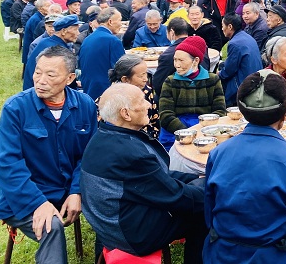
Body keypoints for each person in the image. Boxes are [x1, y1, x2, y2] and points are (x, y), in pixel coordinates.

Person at [203, 70, 286, 264]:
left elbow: (210, 215)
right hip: (275, 256)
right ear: (284, 116)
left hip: (222, 254)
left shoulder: (218, 153)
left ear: (243, 111)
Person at [81, 84, 207, 263]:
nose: (149, 104)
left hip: (110, 223)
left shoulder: (104, 135)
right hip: (129, 235)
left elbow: (157, 176)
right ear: (126, 113)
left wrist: (197, 178)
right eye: (142, 101)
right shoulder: (129, 152)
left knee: (198, 189)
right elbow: (174, 195)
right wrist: (212, 191)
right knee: (201, 211)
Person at [0, 46, 97, 264]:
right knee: (52, 227)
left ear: (70, 78)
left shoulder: (85, 104)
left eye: (50, 75)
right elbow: (8, 165)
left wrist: (77, 191)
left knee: (114, 205)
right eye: (37, 72)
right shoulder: (15, 109)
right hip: (25, 196)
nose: (40, 80)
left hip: (70, 191)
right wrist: (37, 203)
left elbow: (90, 155)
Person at [157, 36, 226, 149]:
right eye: (175, 60)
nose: (177, 65)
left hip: (204, 129)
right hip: (175, 131)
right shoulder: (170, 82)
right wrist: (186, 132)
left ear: (196, 60)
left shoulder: (212, 80)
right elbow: (165, 114)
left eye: (181, 60)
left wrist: (201, 130)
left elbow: (220, 111)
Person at [97, 54, 160, 138]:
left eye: (146, 74)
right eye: (141, 76)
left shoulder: (146, 91)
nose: (145, 79)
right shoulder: (108, 101)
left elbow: (155, 120)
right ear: (125, 79)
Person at [152, 17, 208, 100]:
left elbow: (158, 85)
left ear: (171, 32)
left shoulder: (168, 55)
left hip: (178, 97)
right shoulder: (202, 46)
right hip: (204, 91)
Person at [79, 8, 125, 101]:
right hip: (107, 93)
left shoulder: (87, 39)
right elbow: (122, 70)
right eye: (120, 20)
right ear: (110, 22)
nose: (121, 24)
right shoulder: (113, 41)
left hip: (89, 90)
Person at [219, 13, 263, 106]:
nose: (222, 29)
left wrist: (219, 74)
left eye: (223, 26)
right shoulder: (247, 37)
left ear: (230, 26)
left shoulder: (234, 43)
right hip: (256, 79)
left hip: (244, 84)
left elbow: (229, 71)